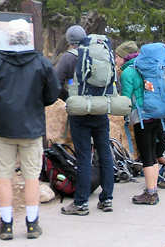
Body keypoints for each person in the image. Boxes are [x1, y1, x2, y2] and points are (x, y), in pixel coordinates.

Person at [0, 19, 60, 240]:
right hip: (32, 128)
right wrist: (38, 104)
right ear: (28, 37)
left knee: (4, 177)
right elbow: (53, 92)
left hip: (2, 128)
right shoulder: (41, 62)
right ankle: (32, 224)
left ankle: (6, 225)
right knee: (31, 177)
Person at [53, 26, 117, 216]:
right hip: (100, 109)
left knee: (83, 157)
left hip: (80, 112)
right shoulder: (101, 53)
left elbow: (56, 82)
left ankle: (80, 203)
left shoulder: (69, 57)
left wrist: (68, 98)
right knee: (104, 153)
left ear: (69, 40)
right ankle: (107, 199)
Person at [118, 41, 165, 205]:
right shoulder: (147, 67)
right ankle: (152, 188)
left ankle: (151, 194)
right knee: (152, 154)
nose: (116, 60)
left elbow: (126, 100)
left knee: (146, 156)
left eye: (117, 56)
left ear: (124, 57)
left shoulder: (128, 73)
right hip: (156, 115)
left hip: (142, 118)